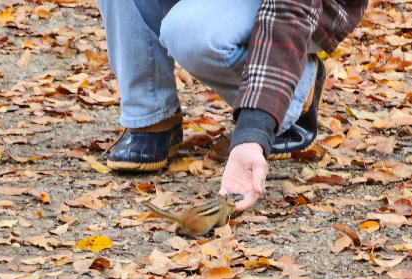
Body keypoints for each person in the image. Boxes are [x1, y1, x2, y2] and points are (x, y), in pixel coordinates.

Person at [97, 0, 367, 211]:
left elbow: (287, 13)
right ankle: (152, 115)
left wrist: (253, 131)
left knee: (190, 34)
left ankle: (295, 89)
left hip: (303, 9)